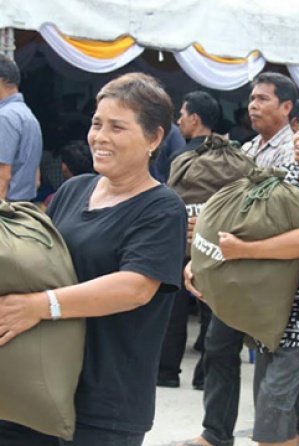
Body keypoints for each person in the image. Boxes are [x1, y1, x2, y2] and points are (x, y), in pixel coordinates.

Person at [0, 72, 187, 445]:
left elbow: (135, 286)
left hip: (105, 401)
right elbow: (38, 257)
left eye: (117, 127)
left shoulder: (162, 208)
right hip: (36, 385)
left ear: (153, 138)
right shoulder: (73, 189)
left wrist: (40, 306)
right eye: (97, 123)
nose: (100, 137)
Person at [187, 100, 299, 446]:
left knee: (273, 397)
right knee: (286, 381)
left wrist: (245, 251)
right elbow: (241, 222)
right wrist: (201, 259)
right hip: (270, 303)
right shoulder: (284, 176)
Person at [179, 72, 297, 446]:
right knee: (219, 346)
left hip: (270, 268)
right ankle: (216, 433)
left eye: (263, 98)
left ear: (286, 107)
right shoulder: (247, 150)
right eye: (252, 98)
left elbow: (279, 212)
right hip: (235, 261)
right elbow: (234, 205)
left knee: (275, 357)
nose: (253, 105)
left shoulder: (294, 151)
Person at [158, 90, 221, 390]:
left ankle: (167, 371)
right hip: (214, 242)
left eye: (182, 114)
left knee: (174, 308)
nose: (179, 120)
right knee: (210, 308)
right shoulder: (229, 155)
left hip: (180, 240)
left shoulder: (180, 156)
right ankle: (205, 375)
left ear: (195, 119)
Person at [0, 54, 43, 201]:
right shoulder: (27, 114)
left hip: (7, 208)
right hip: (23, 205)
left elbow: (2, 174)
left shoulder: (5, 116)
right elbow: (36, 179)